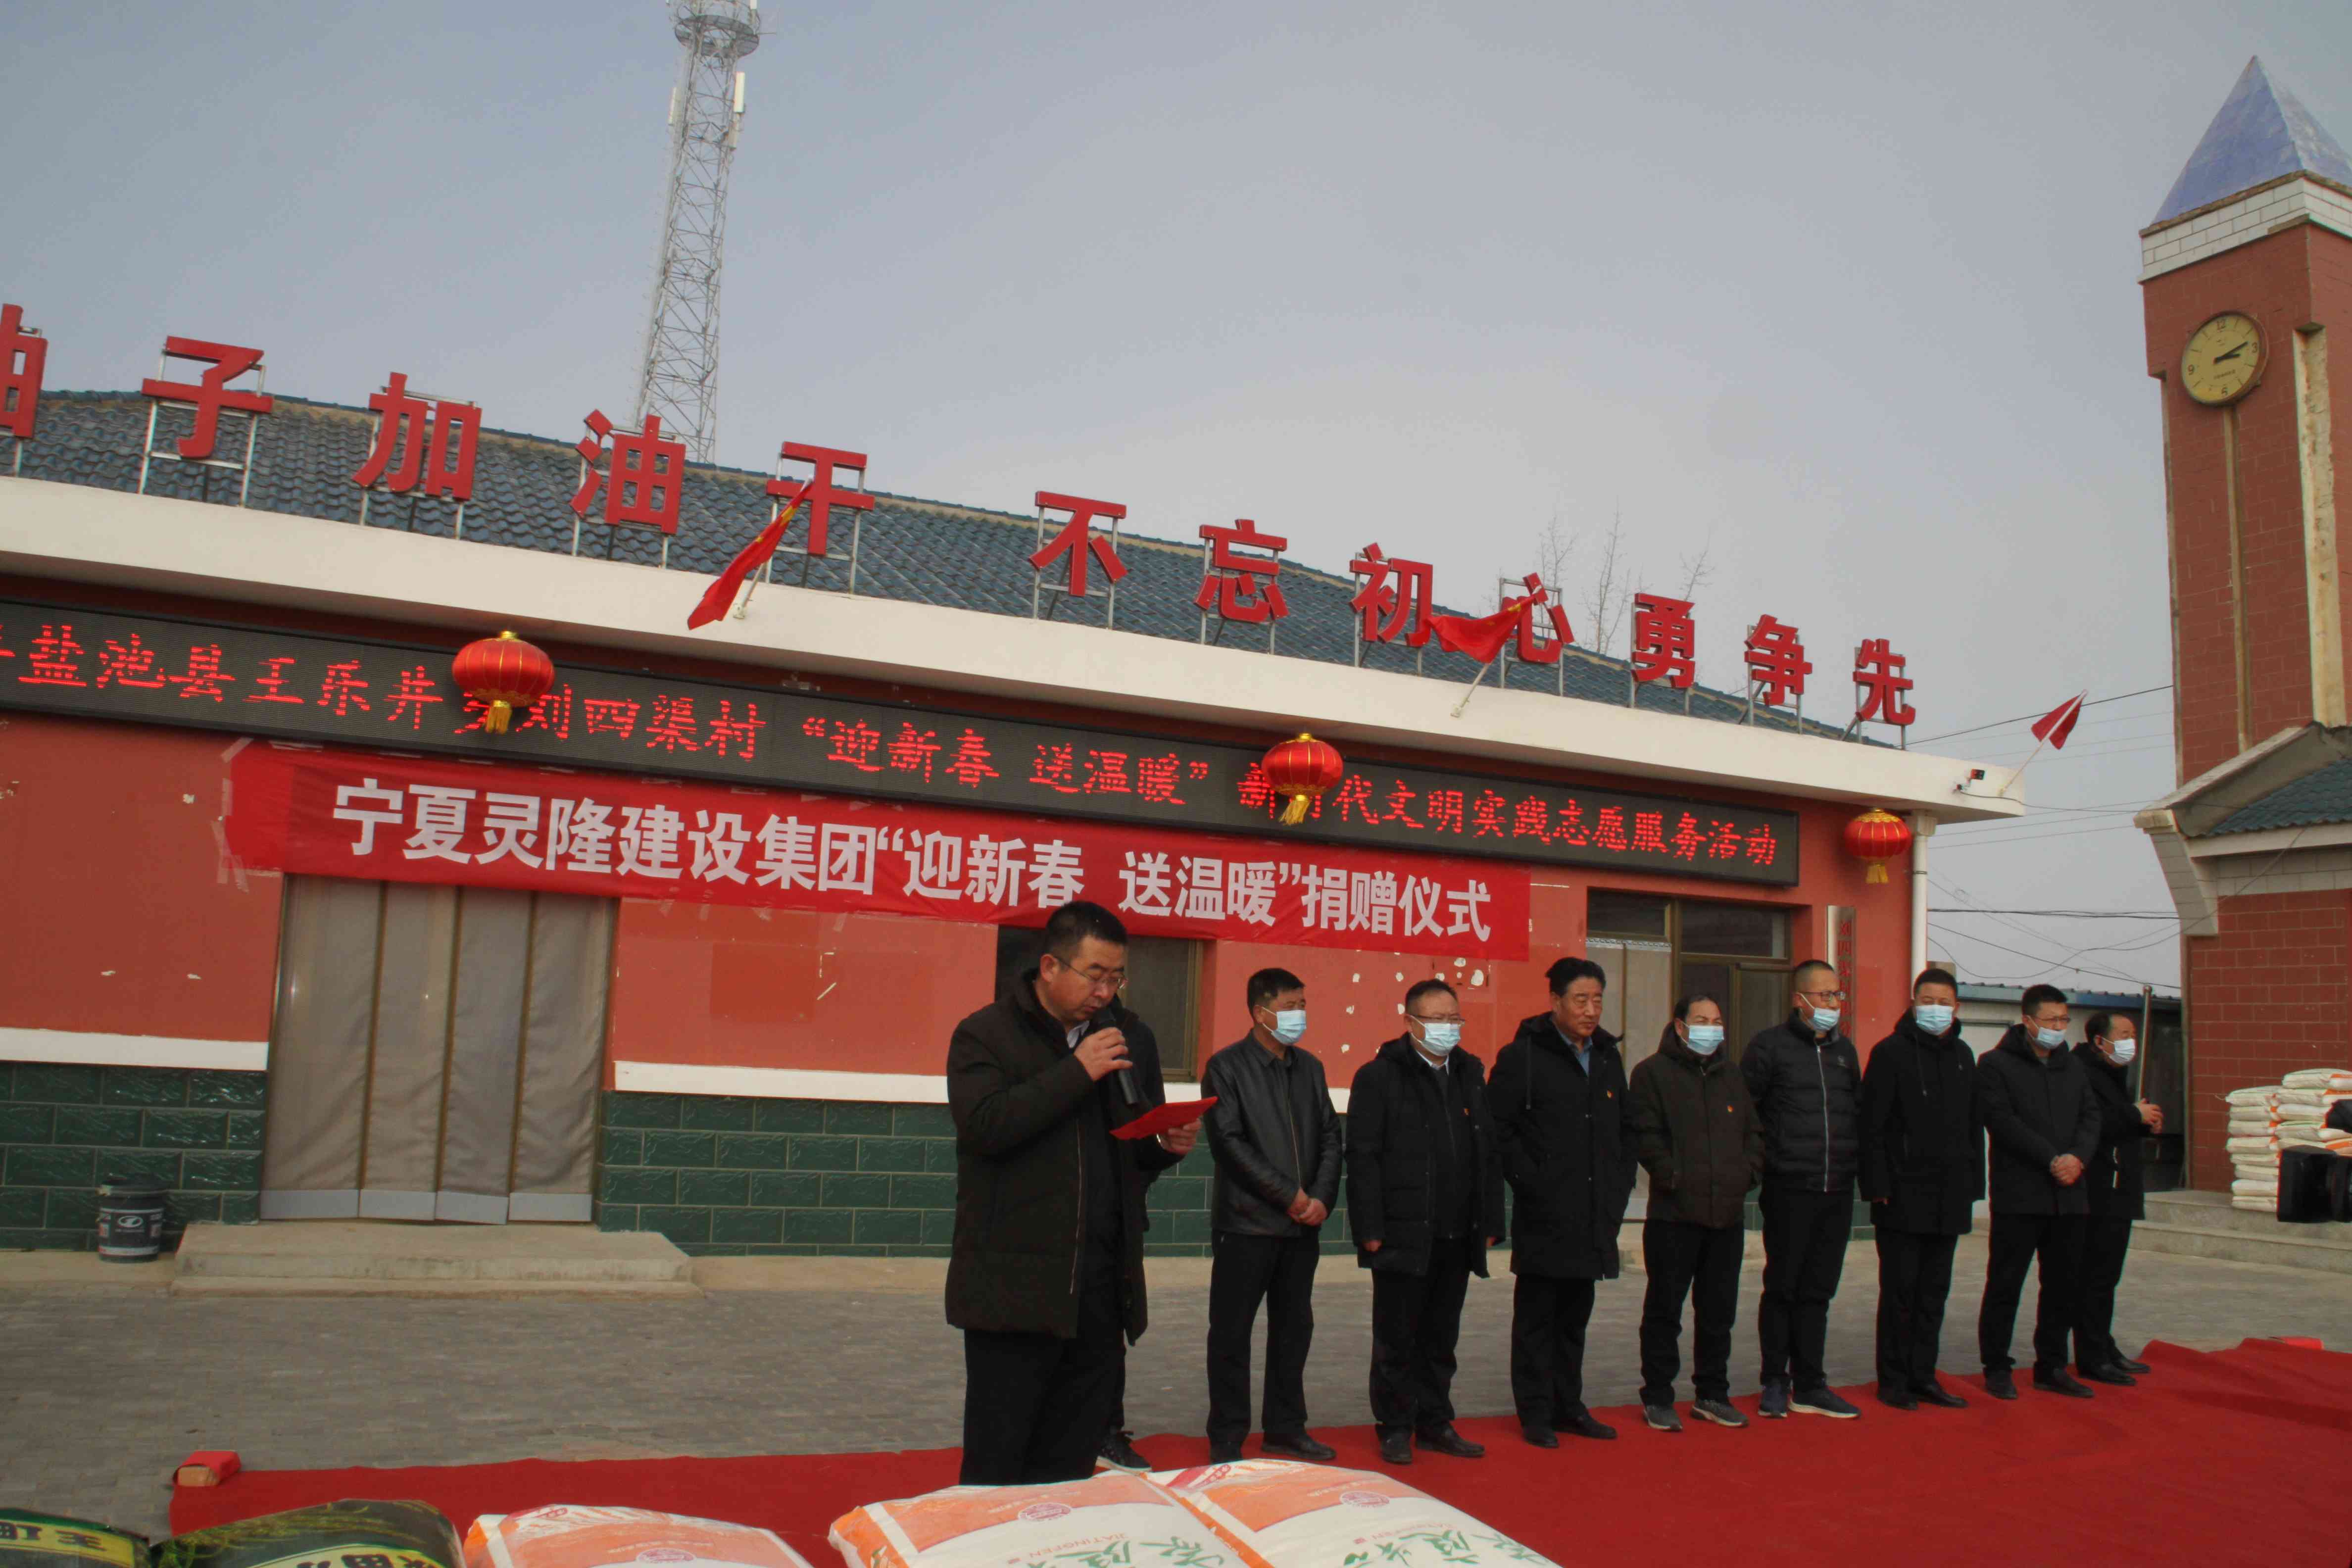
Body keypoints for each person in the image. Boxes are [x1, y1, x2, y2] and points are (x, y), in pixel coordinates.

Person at [945, 901, 1198, 1484]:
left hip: (1099, 1292)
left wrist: (1165, 1145)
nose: (1105, 992)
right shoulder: (985, 1034)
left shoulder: (1126, 1036)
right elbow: (985, 1128)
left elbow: (1127, 1156)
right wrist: (1076, 1071)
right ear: (1050, 967)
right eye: (1095, 975)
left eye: (1117, 977)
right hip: (1015, 1291)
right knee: (997, 1467)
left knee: (1070, 1469)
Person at [1346, 978, 1505, 1467]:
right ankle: (1395, 1426)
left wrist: (1491, 1218)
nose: (1447, 1028)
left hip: (1458, 1230)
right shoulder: (1380, 1076)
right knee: (1397, 1337)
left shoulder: (1470, 1073)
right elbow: (1364, 1157)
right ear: (1411, 1022)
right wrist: (1370, 1228)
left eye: (1453, 1018)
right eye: (1436, 1019)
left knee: (1441, 1336)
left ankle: (1435, 1422)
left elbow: (1487, 1150)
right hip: (1402, 1230)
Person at [1490, 956, 1638, 1447]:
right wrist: (1532, 1181)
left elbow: (1625, 1130)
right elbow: (1500, 1130)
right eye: (1580, 1000)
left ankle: (1569, 1406)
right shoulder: (1524, 1057)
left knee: (1575, 1318)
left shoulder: (1607, 1056)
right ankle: (1535, 1413)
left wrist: (1618, 1187)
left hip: (1595, 1211)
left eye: (1597, 1000)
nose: (1591, 1010)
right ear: (1555, 1001)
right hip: (1544, 1211)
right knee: (1537, 1319)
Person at [1200, 967, 1343, 1463]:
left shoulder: (1311, 1068)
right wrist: (1290, 1197)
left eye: (1303, 1005)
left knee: (1293, 1331)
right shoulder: (1226, 1067)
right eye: (1289, 1007)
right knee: (1231, 1334)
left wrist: (1321, 1198)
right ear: (1260, 1012)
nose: (1299, 1015)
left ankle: (1285, 1427)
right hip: (1246, 1225)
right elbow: (1229, 1143)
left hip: (1302, 1230)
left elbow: (1331, 1136)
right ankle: (1227, 1436)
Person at [1629, 994, 1763, 1432]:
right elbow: (1645, 1135)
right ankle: (1658, 1396)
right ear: (1680, 1027)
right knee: (1664, 1311)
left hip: (1726, 1216)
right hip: (1674, 1216)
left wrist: (1746, 1174)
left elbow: (1753, 1133)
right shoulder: (1652, 1074)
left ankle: (1713, 1395)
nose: (1711, 1028)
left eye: (1717, 1020)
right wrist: (1673, 1176)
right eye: (1701, 1020)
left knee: (1718, 1313)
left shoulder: (1732, 1076)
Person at [1741, 958, 1864, 1421]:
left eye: (1837, 994)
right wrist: (1761, 1169)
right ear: (1800, 999)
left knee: (1818, 1291)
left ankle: (1811, 1382)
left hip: (1837, 1189)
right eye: (1824, 995)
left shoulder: (1845, 1052)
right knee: (1783, 1288)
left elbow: (1856, 1113)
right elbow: (1746, 1116)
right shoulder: (1768, 1047)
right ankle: (1775, 1380)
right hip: (1789, 1187)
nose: (1833, 1003)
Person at [1859, 967, 1981, 1410]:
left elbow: (1974, 1125)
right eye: (1927, 1001)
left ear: (1957, 1007)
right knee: (1901, 1293)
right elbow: (1871, 1125)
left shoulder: (1964, 1055)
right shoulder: (1889, 1052)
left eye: (1944, 1002)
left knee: (1934, 1294)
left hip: (1950, 1195)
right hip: (1901, 1194)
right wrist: (1876, 1184)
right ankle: (1893, 1381)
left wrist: (1974, 1185)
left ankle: (1923, 1376)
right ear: (1913, 1003)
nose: (1936, 1009)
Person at [1974, 982, 2102, 1401]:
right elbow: (2002, 1121)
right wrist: (2052, 1159)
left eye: (2064, 1020)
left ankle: (2052, 1366)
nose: (2058, 1028)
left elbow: (2091, 1117)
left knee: (2063, 1285)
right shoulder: (1995, 1064)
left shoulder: (2074, 1066)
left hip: (2070, 1194)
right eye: (2051, 1020)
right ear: (2027, 1020)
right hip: (2020, 1194)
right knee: (2006, 1283)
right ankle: (1997, 1366)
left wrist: (2078, 1158)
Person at [2073, 1011, 2163, 1385]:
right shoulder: (2081, 1072)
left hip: (2119, 1186)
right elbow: (2092, 1124)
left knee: (2108, 1276)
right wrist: (2132, 1114)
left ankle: (2103, 1345)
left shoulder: (2114, 1072)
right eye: (2123, 1035)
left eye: (2133, 1035)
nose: (2131, 1043)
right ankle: (2092, 1355)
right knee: (2095, 1276)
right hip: (2097, 1189)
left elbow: (2119, 1125)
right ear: (2099, 1040)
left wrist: (2144, 1124)